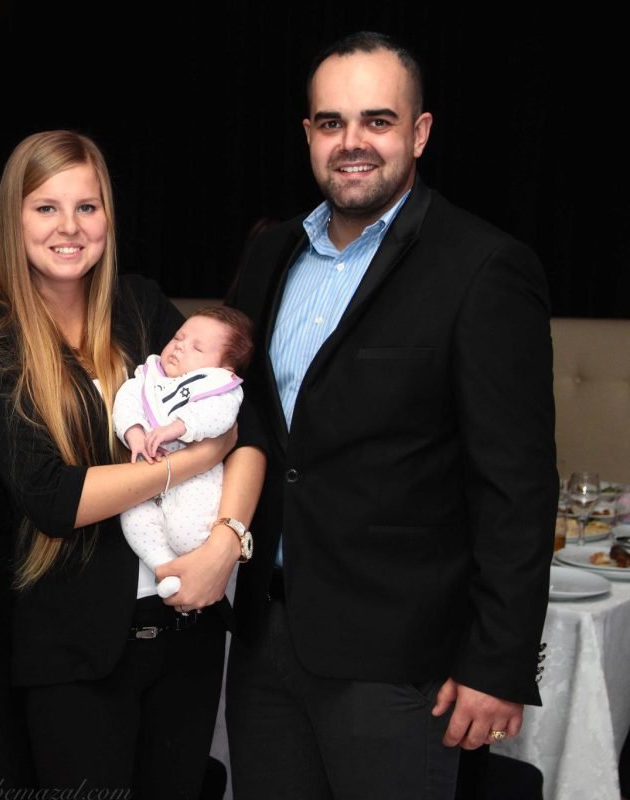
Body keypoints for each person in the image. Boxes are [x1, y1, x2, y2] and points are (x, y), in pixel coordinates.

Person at [225, 32, 556, 799]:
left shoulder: (483, 267)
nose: (352, 142)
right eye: (331, 122)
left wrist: (497, 663)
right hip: (265, 639)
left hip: (401, 663)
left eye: (377, 120)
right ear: (308, 134)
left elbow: (517, 486)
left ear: (420, 131)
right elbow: (256, 427)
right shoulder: (271, 255)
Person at [0, 130, 264, 798]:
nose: (69, 227)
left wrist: (225, 543)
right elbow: (52, 497)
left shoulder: (138, 305)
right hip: (74, 648)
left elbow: (248, 425)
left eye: (87, 207)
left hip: (185, 631)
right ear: (13, 220)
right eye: (46, 207)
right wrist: (196, 458)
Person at [113, 306, 253, 598]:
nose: (180, 347)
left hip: (196, 478)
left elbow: (219, 416)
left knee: (184, 530)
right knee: (133, 518)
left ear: (223, 369)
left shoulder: (219, 389)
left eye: (197, 348)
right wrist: (134, 432)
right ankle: (163, 567)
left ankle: (199, 571)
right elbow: (126, 400)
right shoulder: (149, 378)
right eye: (178, 338)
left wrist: (178, 427)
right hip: (146, 478)